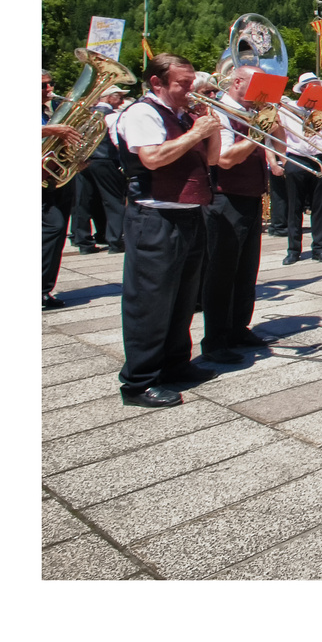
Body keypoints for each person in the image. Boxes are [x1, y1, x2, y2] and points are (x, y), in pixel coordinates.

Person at [114, 53, 222, 407]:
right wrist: (195, 132)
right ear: (157, 83)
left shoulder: (182, 114)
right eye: (183, 84)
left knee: (182, 297)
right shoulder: (143, 112)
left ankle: (176, 364)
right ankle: (138, 381)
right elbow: (153, 158)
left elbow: (210, 160)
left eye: (192, 83)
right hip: (154, 216)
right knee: (151, 300)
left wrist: (212, 129)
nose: (191, 90)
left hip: (188, 212)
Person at [199, 64, 278, 362]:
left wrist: (273, 121)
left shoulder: (252, 111)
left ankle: (238, 327)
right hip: (225, 197)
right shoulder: (219, 111)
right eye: (259, 83)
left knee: (246, 269)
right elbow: (225, 159)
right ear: (237, 82)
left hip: (249, 196)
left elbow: (278, 137)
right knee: (221, 272)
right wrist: (257, 133)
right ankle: (216, 340)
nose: (263, 90)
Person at [279, 72, 322, 265]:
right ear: (303, 90)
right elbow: (279, 136)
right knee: (294, 206)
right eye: (311, 87)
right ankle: (293, 250)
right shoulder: (288, 109)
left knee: (321, 205)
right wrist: (282, 160)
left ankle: (320, 248)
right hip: (297, 158)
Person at [41, 72, 86, 310]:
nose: (49, 88)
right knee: (54, 228)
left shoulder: (51, 111)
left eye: (51, 83)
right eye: (43, 85)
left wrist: (76, 156)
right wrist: (51, 130)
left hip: (53, 179)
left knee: (56, 233)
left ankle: (44, 288)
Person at [69, 85, 129, 254]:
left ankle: (82, 241)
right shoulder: (112, 116)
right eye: (118, 96)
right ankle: (115, 241)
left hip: (83, 161)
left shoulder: (84, 116)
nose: (121, 100)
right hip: (105, 160)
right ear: (109, 97)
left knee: (83, 201)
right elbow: (117, 141)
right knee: (113, 201)